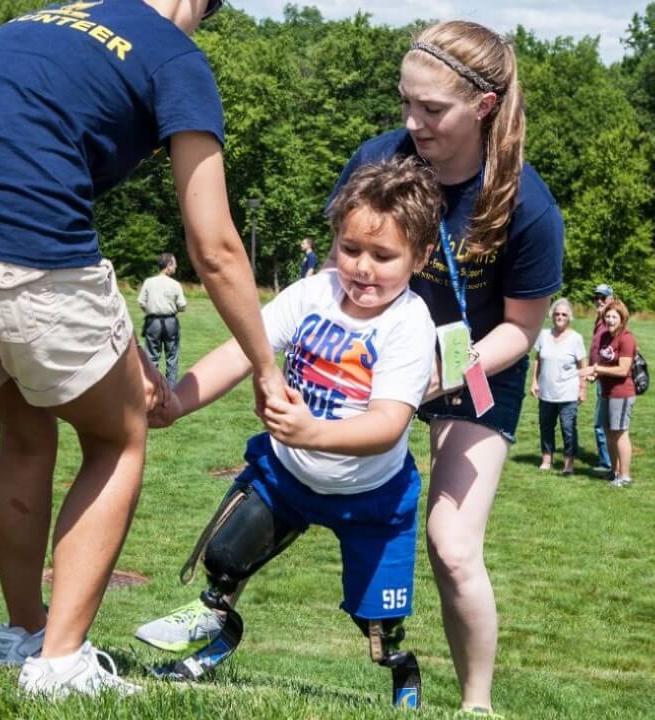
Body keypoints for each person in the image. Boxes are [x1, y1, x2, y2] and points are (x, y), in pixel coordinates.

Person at [137, 20, 564, 713]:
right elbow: (324, 285)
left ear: (482, 107)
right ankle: (214, 625)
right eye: (406, 102)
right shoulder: (380, 160)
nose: (411, 121)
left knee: (452, 546)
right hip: (366, 353)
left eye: (431, 109)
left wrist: (442, 375)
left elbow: (521, 328)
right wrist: (181, 400)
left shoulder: (525, 203)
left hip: (472, 367)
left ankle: (476, 704)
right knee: (292, 483)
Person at [0, 0, 286, 699]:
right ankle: (60, 664)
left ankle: (21, 634)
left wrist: (131, 360)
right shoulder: (175, 56)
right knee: (118, 439)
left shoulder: (32, 22)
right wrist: (267, 370)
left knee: (26, 432)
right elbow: (213, 246)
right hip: (23, 260)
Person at [142, 157, 440, 708]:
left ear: (419, 257)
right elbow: (242, 348)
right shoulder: (313, 294)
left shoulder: (409, 324)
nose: (363, 269)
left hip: (373, 499)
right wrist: (178, 400)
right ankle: (218, 632)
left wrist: (311, 431)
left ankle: (402, 672)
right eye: (351, 249)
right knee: (225, 558)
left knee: (377, 628)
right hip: (287, 477)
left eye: (384, 255)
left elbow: (388, 424)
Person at [581, 298, 637, 487]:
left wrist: (595, 368)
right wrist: (593, 376)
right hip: (606, 392)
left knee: (620, 432)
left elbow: (623, 370)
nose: (611, 320)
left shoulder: (626, 338)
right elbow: (605, 364)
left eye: (614, 317)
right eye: (608, 316)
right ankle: (614, 472)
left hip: (621, 393)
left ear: (622, 319)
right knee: (608, 432)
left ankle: (625, 476)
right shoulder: (606, 337)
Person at [529, 298, 586, 475]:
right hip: (546, 391)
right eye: (556, 314)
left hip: (568, 392)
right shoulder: (544, 335)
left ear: (569, 317)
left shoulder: (576, 338)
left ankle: (569, 463)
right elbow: (538, 359)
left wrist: (582, 389)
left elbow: (583, 365)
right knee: (546, 426)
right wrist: (534, 381)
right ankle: (547, 459)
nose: (559, 317)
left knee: (568, 428)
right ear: (551, 316)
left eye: (563, 314)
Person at [138, 253, 188, 385]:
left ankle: (151, 389)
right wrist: (174, 309)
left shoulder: (148, 282)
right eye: (174, 264)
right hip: (171, 322)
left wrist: (150, 311)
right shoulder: (175, 284)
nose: (176, 267)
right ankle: (172, 392)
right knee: (172, 359)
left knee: (151, 359)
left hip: (152, 322)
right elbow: (182, 306)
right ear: (169, 265)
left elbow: (141, 302)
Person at [589, 283, 614, 474]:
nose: (598, 301)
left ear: (611, 299)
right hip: (598, 374)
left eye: (602, 297)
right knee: (603, 421)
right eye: (596, 297)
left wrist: (597, 370)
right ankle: (608, 460)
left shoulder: (611, 320)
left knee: (602, 422)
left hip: (606, 376)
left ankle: (607, 463)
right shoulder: (600, 319)